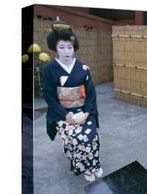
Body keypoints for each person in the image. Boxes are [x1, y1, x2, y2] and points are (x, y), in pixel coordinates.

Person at [43, 19, 102, 182]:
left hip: (84, 110)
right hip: (62, 113)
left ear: (74, 47)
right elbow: (49, 96)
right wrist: (65, 115)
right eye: (61, 47)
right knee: (77, 138)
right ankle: (85, 168)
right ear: (55, 47)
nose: (66, 51)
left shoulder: (83, 68)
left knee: (92, 135)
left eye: (69, 47)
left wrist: (87, 112)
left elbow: (91, 94)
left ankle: (95, 164)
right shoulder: (49, 69)